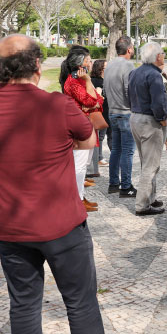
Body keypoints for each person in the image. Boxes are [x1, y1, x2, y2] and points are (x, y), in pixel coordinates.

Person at [0, 34, 135, 334]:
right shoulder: (55, 105)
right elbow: (89, 141)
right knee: (80, 301)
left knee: (23, 305)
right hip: (61, 225)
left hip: (9, 227)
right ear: (37, 65)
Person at [128, 42, 167, 216]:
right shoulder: (154, 76)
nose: (164, 56)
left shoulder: (134, 72)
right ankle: (142, 204)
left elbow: (127, 95)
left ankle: (150, 197)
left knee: (147, 161)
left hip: (136, 116)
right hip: (150, 120)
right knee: (150, 165)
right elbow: (158, 102)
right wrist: (162, 120)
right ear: (158, 56)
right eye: (163, 53)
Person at [61, 47, 103, 213]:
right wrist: (88, 84)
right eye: (89, 60)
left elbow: (98, 100)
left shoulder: (81, 80)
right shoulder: (74, 82)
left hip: (86, 126)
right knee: (79, 165)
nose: (91, 63)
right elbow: (92, 100)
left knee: (83, 164)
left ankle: (80, 196)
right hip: (79, 128)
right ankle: (77, 199)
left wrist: (93, 94)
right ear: (82, 63)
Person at [104, 36, 137, 198]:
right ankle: (126, 186)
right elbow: (128, 89)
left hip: (112, 111)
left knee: (116, 149)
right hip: (125, 112)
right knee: (128, 151)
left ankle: (113, 183)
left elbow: (105, 88)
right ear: (129, 49)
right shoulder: (128, 65)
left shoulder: (109, 64)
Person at [86, 59, 110, 175]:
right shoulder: (95, 81)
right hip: (99, 112)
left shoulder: (105, 80)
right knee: (98, 137)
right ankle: (98, 158)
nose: (107, 69)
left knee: (101, 137)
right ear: (100, 68)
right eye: (105, 67)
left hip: (105, 111)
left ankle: (99, 157)